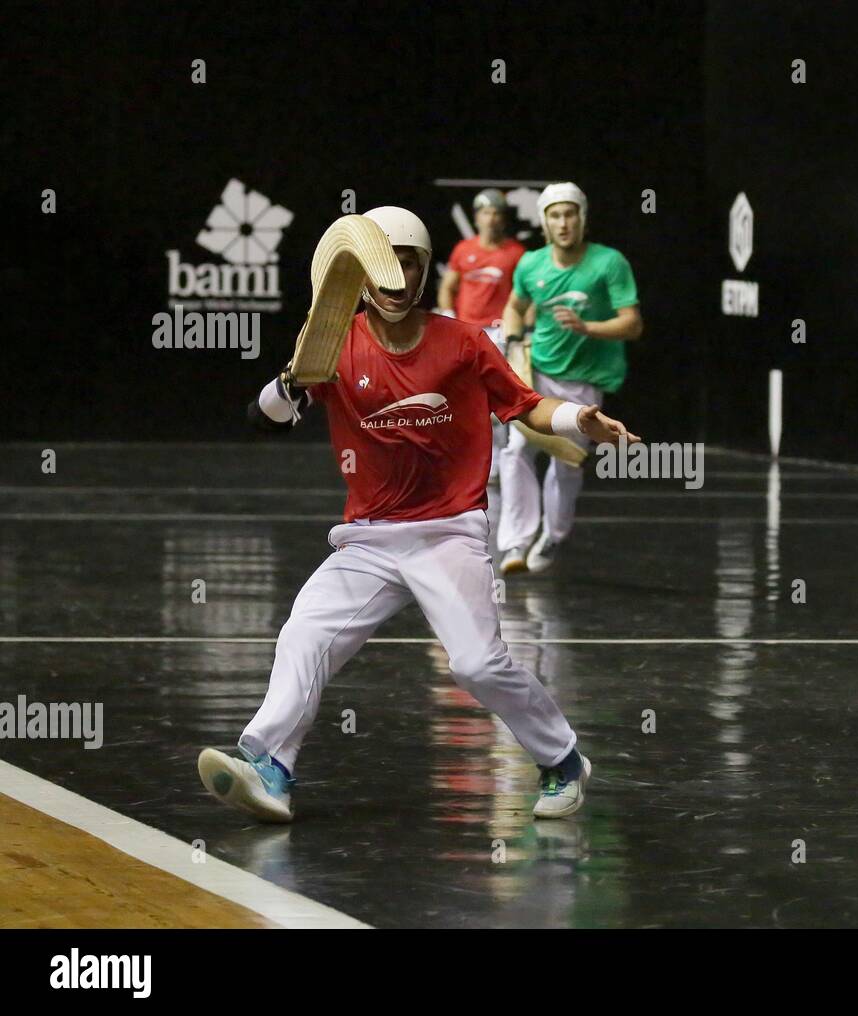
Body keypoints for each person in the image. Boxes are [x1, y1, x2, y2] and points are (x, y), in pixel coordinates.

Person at [197, 206, 640, 822]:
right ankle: (270, 768)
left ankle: (563, 759)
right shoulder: (334, 341)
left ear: (425, 270)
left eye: (409, 264)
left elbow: (525, 405)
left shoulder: (462, 342)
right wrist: (294, 377)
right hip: (370, 539)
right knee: (306, 633)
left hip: (449, 532)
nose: (398, 279)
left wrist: (576, 419)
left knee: (477, 665)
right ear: (361, 275)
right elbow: (263, 419)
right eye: (387, 266)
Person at [497, 183, 643, 573]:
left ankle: (552, 537)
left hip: (583, 383)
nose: (563, 223)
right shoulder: (531, 264)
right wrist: (512, 340)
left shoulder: (609, 263)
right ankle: (515, 542)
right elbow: (515, 306)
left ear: (582, 218)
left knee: (567, 461)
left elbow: (632, 324)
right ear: (544, 222)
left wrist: (587, 328)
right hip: (537, 374)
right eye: (555, 215)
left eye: (570, 214)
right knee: (515, 451)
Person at [436, 189, 527, 482]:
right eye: (486, 213)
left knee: (495, 400)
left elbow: (526, 297)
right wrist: (449, 317)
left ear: (503, 219)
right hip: (465, 334)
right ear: (476, 217)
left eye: (497, 213)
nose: (491, 219)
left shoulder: (516, 254)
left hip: (500, 334)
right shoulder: (463, 250)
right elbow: (448, 287)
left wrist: (522, 330)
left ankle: (496, 462)